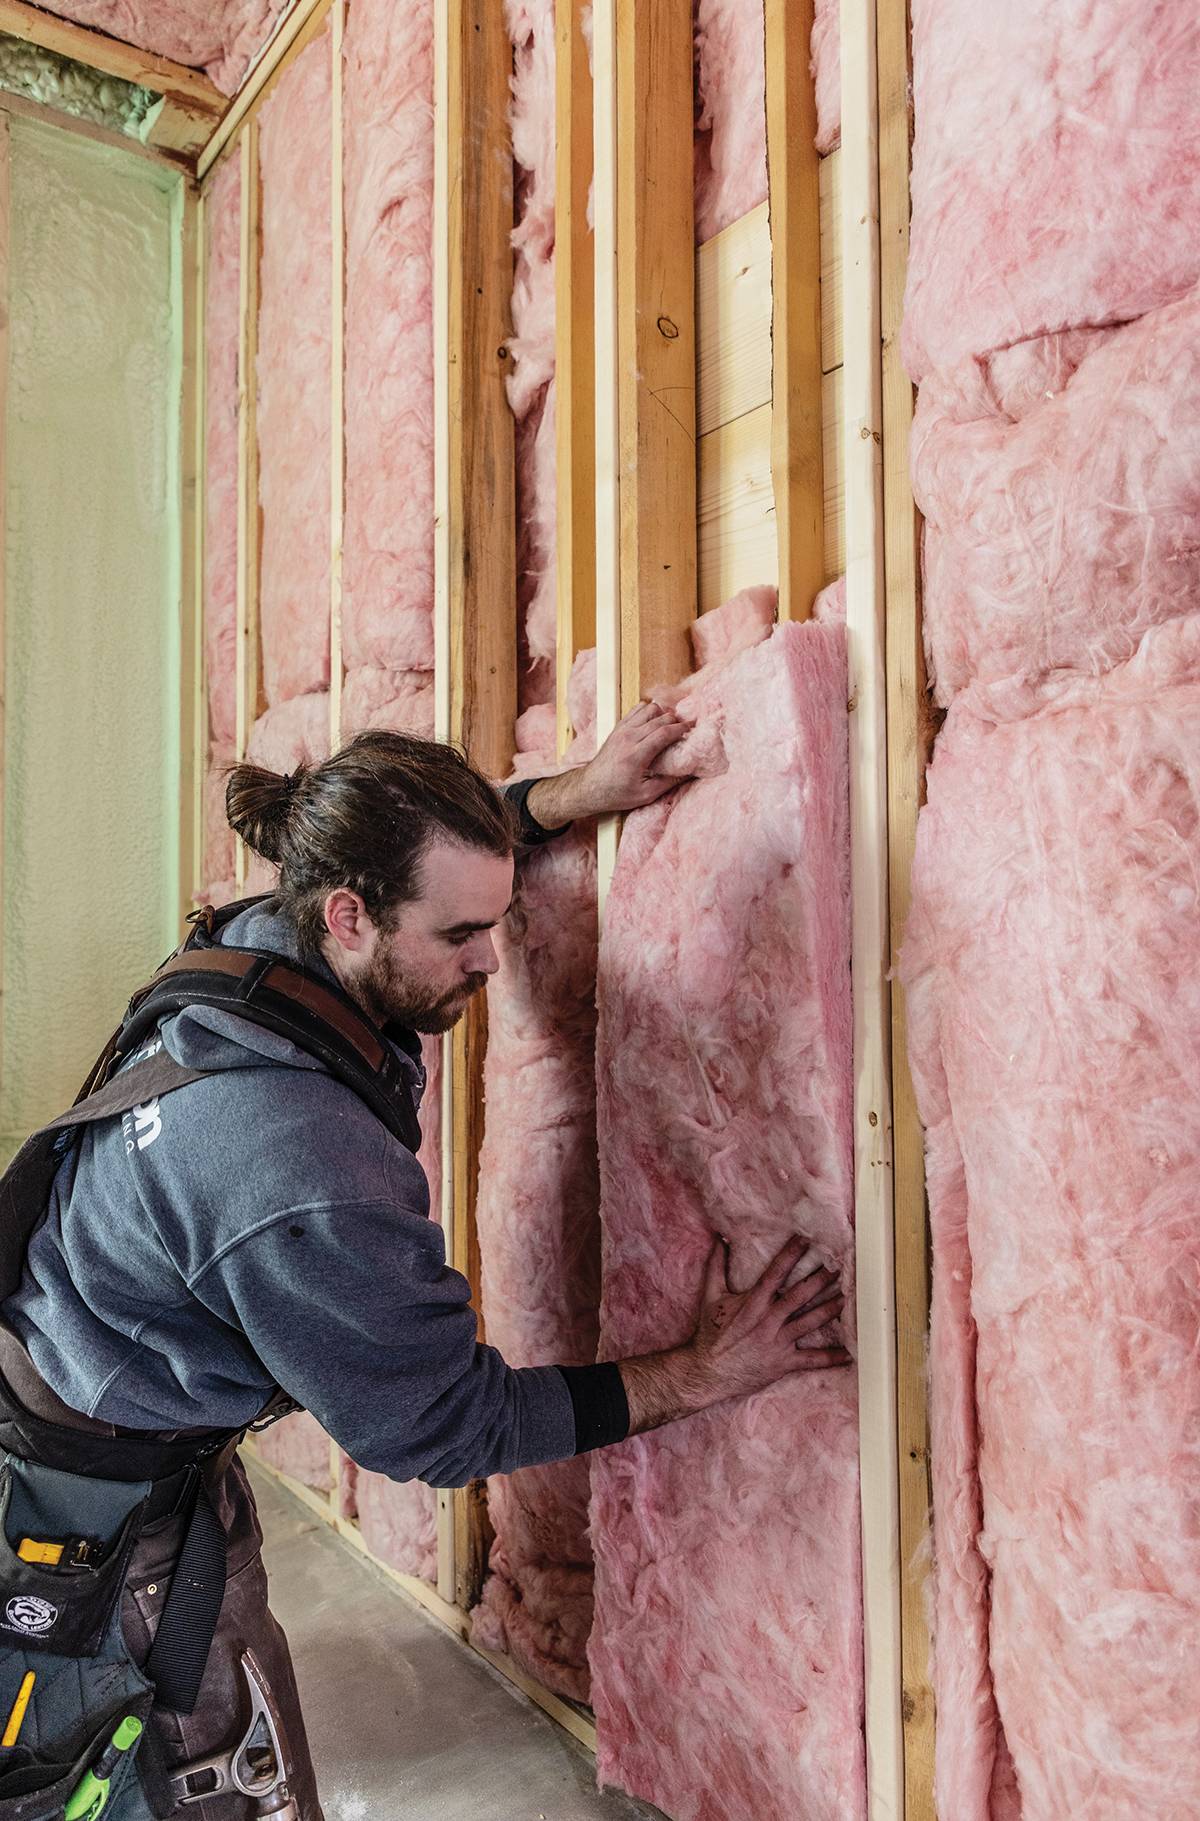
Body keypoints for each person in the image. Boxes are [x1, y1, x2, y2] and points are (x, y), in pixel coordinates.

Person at [0, 706, 849, 1819]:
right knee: (193, 1786)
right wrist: (702, 1371)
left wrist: (566, 796)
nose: (493, 959)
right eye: (461, 938)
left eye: (492, 922)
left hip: (83, 1396)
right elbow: (446, 1427)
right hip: (102, 1526)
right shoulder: (302, 1165)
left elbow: (434, 865)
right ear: (349, 917)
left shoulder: (268, 936)